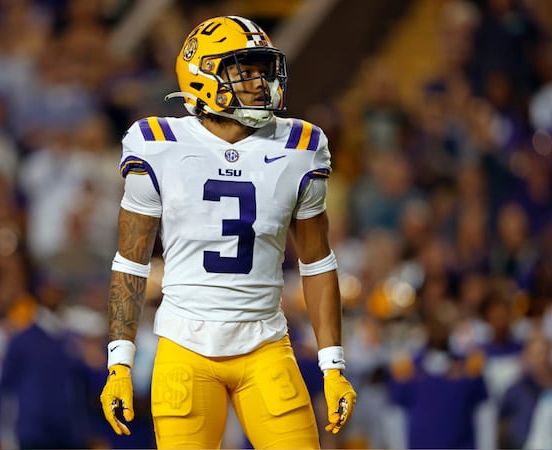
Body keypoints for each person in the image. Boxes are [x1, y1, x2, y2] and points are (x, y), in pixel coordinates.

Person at [98, 15, 357, 449]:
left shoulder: (301, 146)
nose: (260, 83)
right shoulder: (157, 143)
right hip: (185, 345)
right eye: (244, 71)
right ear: (203, 76)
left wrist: (333, 366)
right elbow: (131, 260)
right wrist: (119, 362)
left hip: (265, 344)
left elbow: (317, 262)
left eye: (263, 70)